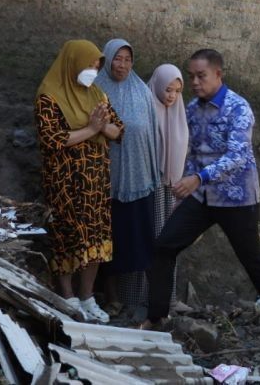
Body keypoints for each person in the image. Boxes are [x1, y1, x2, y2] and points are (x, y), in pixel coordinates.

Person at [142, 49, 260, 345]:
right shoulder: (191, 108)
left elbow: (238, 156)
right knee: (163, 246)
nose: (194, 82)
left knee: (252, 259)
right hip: (201, 196)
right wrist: (186, 184)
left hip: (236, 198)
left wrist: (197, 178)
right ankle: (156, 316)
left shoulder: (238, 108)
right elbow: (191, 152)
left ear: (218, 74)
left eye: (201, 76)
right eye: (191, 76)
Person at [35, 39, 123, 323]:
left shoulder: (97, 93)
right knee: (68, 234)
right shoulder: (49, 96)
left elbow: (118, 130)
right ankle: (67, 294)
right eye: (90, 63)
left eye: (97, 64)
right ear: (73, 62)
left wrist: (101, 128)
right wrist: (92, 128)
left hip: (95, 180)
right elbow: (53, 140)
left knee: (96, 235)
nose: (94, 69)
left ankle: (87, 297)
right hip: (65, 180)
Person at [95, 38, 160, 314]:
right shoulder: (96, 90)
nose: (122, 64)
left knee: (138, 237)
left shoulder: (142, 91)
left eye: (127, 59)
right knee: (110, 238)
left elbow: (153, 132)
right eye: (117, 58)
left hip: (139, 178)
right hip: (106, 180)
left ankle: (149, 300)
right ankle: (111, 297)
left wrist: (154, 171)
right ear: (107, 59)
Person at [147, 64, 189, 311]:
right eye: (168, 89)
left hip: (171, 189)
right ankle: (143, 299)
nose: (172, 95)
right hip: (148, 187)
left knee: (169, 242)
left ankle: (167, 299)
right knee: (149, 241)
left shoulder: (178, 114)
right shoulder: (147, 108)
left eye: (176, 91)